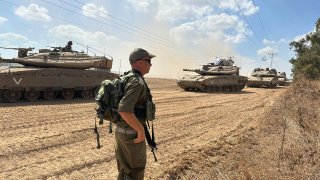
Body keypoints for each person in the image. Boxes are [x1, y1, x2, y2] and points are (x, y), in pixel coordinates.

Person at [115, 48, 156, 180]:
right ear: (139, 62)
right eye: (148, 61)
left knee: (124, 170)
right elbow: (124, 109)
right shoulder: (137, 82)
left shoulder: (125, 78)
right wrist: (140, 130)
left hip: (121, 131)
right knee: (134, 172)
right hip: (132, 134)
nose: (151, 64)